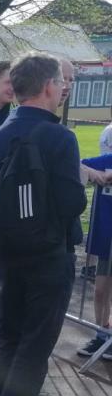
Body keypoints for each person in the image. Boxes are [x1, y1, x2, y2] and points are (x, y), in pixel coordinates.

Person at [0, 53, 86, 396]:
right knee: (36, 340)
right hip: (50, 252)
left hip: (11, 250)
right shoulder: (60, 137)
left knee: (8, 332)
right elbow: (72, 202)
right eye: (62, 81)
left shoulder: (1, 132)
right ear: (49, 85)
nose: (64, 87)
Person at [77, 153, 112, 359]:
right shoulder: (107, 160)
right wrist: (96, 174)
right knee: (100, 290)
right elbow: (76, 163)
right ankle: (102, 334)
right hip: (106, 237)